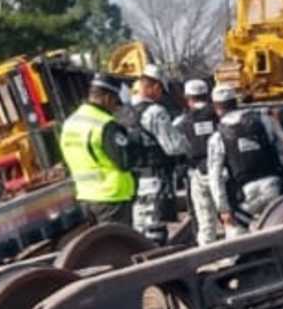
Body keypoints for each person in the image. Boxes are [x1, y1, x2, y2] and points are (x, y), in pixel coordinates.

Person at [207, 85, 283, 239]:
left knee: (238, 236)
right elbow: (282, 147)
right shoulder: (264, 120)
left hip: (245, 194)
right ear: (235, 101)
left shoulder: (217, 137)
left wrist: (224, 209)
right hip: (274, 187)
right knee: (277, 232)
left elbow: (215, 177)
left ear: (216, 107)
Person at [59, 74, 136, 226]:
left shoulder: (70, 123)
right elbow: (125, 161)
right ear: (107, 98)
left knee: (103, 246)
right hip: (112, 198)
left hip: (86, 197)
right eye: (116, 102)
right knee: (121, 246)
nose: (116, 108)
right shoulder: (105, 124)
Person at [131, 64, 191, 239]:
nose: (160, 95)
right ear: (155, 86)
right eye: (160, 90)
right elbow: (173, 147)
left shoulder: (124, 112)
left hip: (134, 179)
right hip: (155, 178)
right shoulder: (155, 112)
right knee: (156, 229)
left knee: (140, 230)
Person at [173, 78, 220, 245]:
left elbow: (175, 148)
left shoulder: (181, 122)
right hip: (223, 171)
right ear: (207, 95)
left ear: (187, 97)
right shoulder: (218, 115)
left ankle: (208, 256)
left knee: (204, 219)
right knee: (230, 216)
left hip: (197, 173)